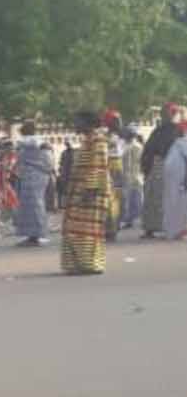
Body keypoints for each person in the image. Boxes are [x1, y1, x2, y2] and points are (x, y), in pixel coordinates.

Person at [62, 112, 111, 275]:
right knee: (75, 227)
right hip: (80, 191)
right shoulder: (88, 140)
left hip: (91, 193)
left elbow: (97, 167)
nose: (75, 125)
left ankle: (90, 264)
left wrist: (89, 191)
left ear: (88, 123)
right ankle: (78, 264)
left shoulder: (98, 140)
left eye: (78, 121)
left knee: (87, 229)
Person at [141, 104, 181, 239]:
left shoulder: (177, 130)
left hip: (170, 167)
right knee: (155, 198)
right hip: (159, 167)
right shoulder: (159, 130)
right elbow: (148, 150)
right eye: (163, 113)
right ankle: (151, 228)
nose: (164, 115)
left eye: (167, 113)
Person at [14, 123, 53, 245]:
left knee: (34, 205)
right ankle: (32, 235)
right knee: (31, 205)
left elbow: (29, 143)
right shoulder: (37, 141)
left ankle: (36, 236)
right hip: (35, 175)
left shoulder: (31, 140)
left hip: (34, 175)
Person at [102, 110, 125, 243]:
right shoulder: (121, 136)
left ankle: (111, 229)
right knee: (115, 200)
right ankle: (113, 229)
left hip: (110, 167)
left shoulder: (108, 137)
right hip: (116, 167)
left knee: (111, 200)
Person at [163, 120, 187, 241]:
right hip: (178, 176)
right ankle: (178, 231)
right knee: (180, 203)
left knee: (173, 202)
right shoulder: (182, 142)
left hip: (174, 176)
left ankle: (173, 231)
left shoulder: (177, 143)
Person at [121, 132, 144, 231]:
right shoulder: (139, 146)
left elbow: (129, 163)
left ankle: (129, 220)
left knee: (129, 199)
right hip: (138, 175)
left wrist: (126, 174)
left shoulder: (129, 148)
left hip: (130, 175)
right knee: (138, 198)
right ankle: (138, 219)